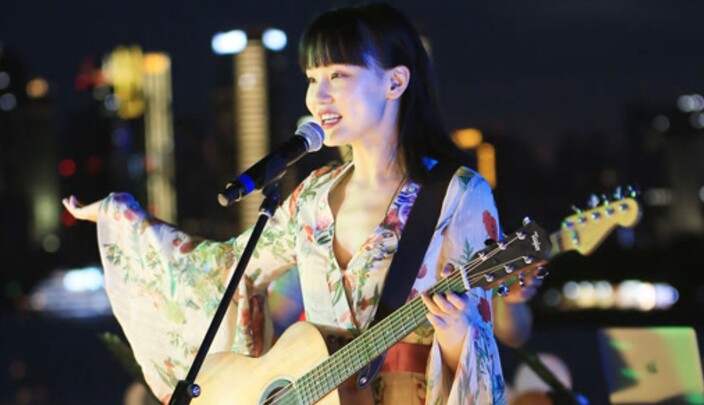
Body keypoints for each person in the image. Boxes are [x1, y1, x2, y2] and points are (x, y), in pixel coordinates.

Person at [64, 3, 513, 404]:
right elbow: (225, 273)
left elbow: (481, 339)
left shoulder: (458, 195)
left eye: (338, 75)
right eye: (313, 79)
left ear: (395, 82)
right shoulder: (312, 196)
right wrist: (121, 218)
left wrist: (458, 339)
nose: (318, 97)